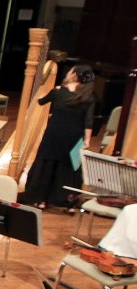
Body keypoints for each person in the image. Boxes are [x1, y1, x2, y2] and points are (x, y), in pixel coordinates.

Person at [22, 65, 96, 212]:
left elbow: (41, 101)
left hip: (54, 134)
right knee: (71, 168)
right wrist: (87, 141)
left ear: (74, 74)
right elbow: (89, 121)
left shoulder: (58, 92)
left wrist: (42, 87)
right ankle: (68, 203)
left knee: (47, 164)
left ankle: (41, 200)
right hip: (74, 137)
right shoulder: (89, 97)